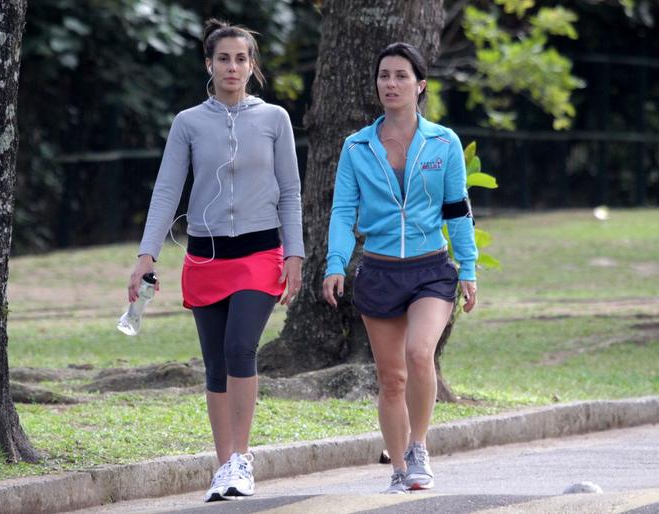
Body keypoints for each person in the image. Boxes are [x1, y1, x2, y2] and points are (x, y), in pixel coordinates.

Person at [128, 19, 304, 502]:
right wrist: (146, 255)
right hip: (205, 258)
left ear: (252, 66)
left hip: (260, 254)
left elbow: (290, 191)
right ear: (209, 64)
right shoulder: (188, 123)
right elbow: (167, 190)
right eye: (223, 58)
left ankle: (242, 459)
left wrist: (295, 253)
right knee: (214, 364)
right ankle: (223, 464)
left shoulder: (274, 119)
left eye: (241, 59)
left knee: (239, 349)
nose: (232, 66)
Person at [322, 42, 478, 494]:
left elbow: (457, 210)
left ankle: (419, 447)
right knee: (391, 379)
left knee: (419, 353)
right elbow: (342, 212)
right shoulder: (357, 147)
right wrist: (335, 264)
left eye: (401, 76)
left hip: (430, 269)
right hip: (379, 271)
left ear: (420, 85)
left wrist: (467, 267)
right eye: (384, 75)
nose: (391, 84)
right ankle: (395, 472)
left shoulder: (442, 142)